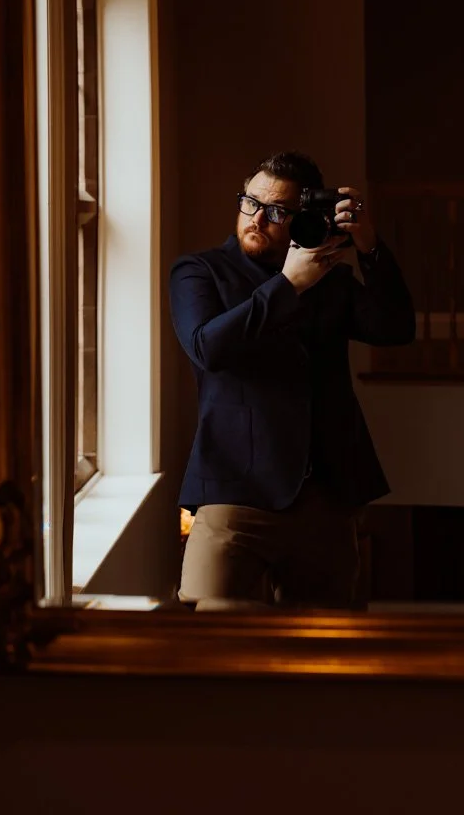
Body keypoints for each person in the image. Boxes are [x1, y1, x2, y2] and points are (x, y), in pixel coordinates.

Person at [170, 151, 415, 610]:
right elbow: (207, 348)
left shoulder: (332, 280)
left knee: (326, 655)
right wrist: (287, 285)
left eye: (277, 211)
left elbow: (396, 328)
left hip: (324, 496)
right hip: (232, 495)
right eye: (250, 202)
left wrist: (369, 246)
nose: (257, 218)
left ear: (305, 218)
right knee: (205, 639)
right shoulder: (198, 271)